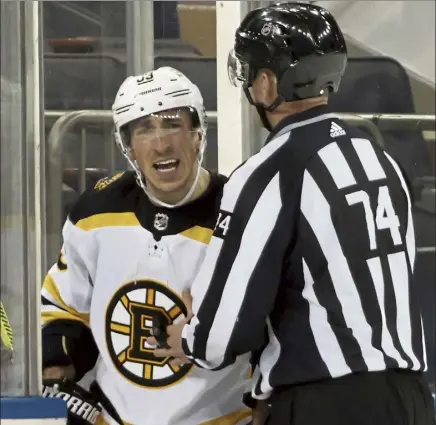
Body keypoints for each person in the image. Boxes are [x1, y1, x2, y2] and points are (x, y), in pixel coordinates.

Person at [152, 4, 436, 425]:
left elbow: (219, 336)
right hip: (412, 398)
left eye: (251, 72)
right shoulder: (380, 159)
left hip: (328, 406)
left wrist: (188, 339)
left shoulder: (269, 173)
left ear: (267, 84)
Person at [41, 66, 252, 425]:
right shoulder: (96, 211)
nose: (161, 143)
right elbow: (65, 309)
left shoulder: (241, 215)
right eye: (143, 129)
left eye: (172, 124)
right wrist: (57, 370)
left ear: (198, 134)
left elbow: (273, 325)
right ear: (129, 148)